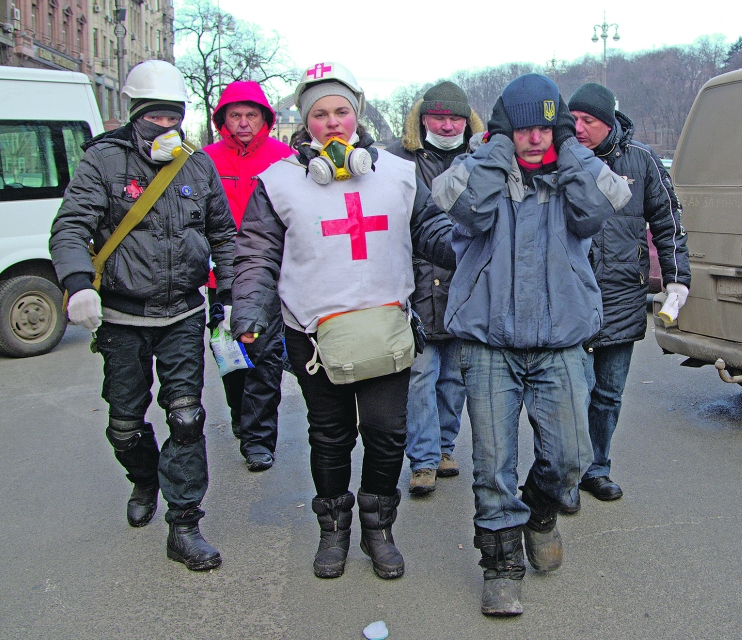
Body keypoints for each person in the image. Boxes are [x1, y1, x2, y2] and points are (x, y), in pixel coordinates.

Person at [230, 62, 455, 581]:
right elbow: (256, 255)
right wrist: (249, 311)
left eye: (342, 111)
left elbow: (433, 232)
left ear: (356, 115)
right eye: (320, 114)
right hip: (311, 333)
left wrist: (472, 250)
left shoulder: (398, 174)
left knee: (385, 433)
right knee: (329, 436)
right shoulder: (279, 182)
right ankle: (334, 530)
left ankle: (379, 529)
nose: (332, 123)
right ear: (305, 121)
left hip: (386, 329)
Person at [431, 74, 631, 616]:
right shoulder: (481, 169)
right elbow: (463, 208)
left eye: (546, 127)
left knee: (572, 456)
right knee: (492, 464)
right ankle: (500, 568)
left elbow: (600, 208)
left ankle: (540, 513)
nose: (535, 138)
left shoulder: (574, 172)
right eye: (523, 128)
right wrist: (496, 150)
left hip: (559, 342)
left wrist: (571, 148)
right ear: (504, 130)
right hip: (488, 344)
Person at [49, 60, 236, 571]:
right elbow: (70, 228)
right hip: (122, 317)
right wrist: (76, 283)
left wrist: (235, 293)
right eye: (154, 116)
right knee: (126, 425)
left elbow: (223, 234)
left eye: (173, 115)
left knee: (185, 417)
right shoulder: (103, 163)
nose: (165, 125)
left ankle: (184, 523)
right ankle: (144, 477)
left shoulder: (196, 166)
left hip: (182, 314)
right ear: (134, 115)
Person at [566, 83, 691, 509]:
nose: (579, 128)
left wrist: (677, 280)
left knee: (607, 395)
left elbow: (668, 222)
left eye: (589, 121)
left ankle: (596, 468)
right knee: (572, 392)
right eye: (574, 119)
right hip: (573, 295)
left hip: (623, 293)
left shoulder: (642, 160)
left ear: (609, 121)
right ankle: (567, 470)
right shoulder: (561, 158)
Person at [385, 81, 484, 495]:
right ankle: (422, 460)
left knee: (454, 379)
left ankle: (445, 447)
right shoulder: (396, 160)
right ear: (422, 118)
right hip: (415, 285)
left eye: (454, 118)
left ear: (467, 121)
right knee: (420, 377)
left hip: (465, 287)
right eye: (439, 117)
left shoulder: (482, 159)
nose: (446, 125)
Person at [203, 81, 294, 472]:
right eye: (235, 115)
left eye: (251, 115)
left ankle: (259, 439)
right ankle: (241, 419)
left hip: (267, 275)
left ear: (264, 119)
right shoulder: (204, 160)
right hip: (218, 280)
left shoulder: (284, 159)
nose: (243, 123)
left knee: (265, 359)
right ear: (223, 119)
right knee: (231, 357)